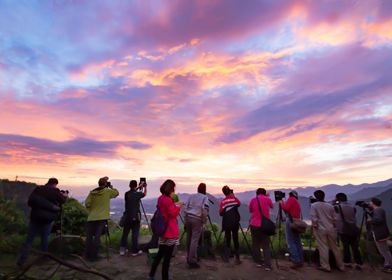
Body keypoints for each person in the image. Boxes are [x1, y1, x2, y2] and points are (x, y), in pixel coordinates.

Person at [17, 178, 68, 267]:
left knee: (29, 239)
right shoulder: (55, 191)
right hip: (47, 220)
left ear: (48, 182)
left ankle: (22, 260)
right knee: (44, 239)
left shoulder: (38, 189)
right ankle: (43, 259)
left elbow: (30, 202)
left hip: (35, 217)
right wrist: (65, 195)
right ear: (55, 184)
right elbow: (62, 201)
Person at [148, 179, 183, 280]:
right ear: (171, 189)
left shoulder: (160, 198)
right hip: (170, 231)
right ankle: (165, 277)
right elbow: (173, 214)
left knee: (159, 255)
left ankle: (151, 275)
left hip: (162, 231)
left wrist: (174, 205)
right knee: (167, 258)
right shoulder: (168, 200)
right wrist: (178, 206)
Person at [85, 176, 119, 261]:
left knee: (89, 237)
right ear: (105, 184)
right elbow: (116, 193)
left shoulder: (92, 192)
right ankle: (94, 257)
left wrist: (93, 209)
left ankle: (87, 255)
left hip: (91, 217)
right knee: (97, 237)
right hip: (102, 218)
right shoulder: (107, 191)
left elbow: (87, 204)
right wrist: (111, 187)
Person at [310, 190, 344, 272]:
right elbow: (335, 219)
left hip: (321, 229)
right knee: (335, 247)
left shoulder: (314, 205)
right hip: (331, 229)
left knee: (323, 247)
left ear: (316, 197)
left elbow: (314, 218)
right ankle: (341, 266)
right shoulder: (330, 206)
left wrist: (314, 227)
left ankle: (325, 266)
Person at [184, 183, 209, 268]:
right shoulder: (205, 198)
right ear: (205, 189)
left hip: (188, 217)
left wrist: (185, 220)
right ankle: (192, 260)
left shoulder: (191, 196)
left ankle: (188, 257)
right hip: (197, 219)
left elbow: (185, 208)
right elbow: (204, 210)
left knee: (189, 238)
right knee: (194, 240)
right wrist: (204, 221)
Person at [334, 193, 362, 270]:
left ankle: (347, 262)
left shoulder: (337, 207)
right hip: (353, 229)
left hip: (343, 230)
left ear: (338, 199)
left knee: (346, 247)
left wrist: (334, 202)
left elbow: (333, 212)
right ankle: (358, 263)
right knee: (355, 247)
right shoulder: (353, 207)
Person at [119, 179, 147, 256]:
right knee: (135, 235)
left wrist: (139, 186)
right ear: (135, 186)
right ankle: (135, 251)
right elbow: (144, 194)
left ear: (129, 185)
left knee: (125, 234)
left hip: (127, 217)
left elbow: (132, 191)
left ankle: (122, 250)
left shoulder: (126, 194)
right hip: (135, 218)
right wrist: (145, 187)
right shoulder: (138, 194)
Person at [249, 188, 274, 271]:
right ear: (264, 193)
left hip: (254, 225)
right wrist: (267, 197)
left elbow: (250, 210)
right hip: (264, 226)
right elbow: (272, 206)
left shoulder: (253, 200)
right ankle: (267, 265)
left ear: (256, 193)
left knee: (255, 244)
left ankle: (258, 262)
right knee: (266, 245)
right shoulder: (268, 199)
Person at [280, 190, 304, 269]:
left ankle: (296, 260)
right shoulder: (297, 201)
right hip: (296, 221)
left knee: (290, 242)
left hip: (290, 221)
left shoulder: (291, 199)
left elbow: (286, 208)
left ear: (291, 195)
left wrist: (282, 202)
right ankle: (300, 260)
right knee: (297, 242)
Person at [368, 197, 392, 273]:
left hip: (380, 233)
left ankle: (389, 266)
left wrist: (370, 220)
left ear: (373, 203)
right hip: (383, 232)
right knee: (385, 250)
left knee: (383, 251)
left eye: (370, 202)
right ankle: (388, 264)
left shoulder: (377, 210)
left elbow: (379, 220)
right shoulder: (379, 209)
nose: (369, 203)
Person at [219, 185, 241, 264]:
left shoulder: (223, 201)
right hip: (235, 222)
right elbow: (239, 204)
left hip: (227, 223)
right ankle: (237, 258)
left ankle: (227, 257)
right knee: (235, 239)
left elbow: (221, 213)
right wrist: (233, 196)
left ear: (224, 193)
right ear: (229, 192)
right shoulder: (234, 199)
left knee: (228, 239)